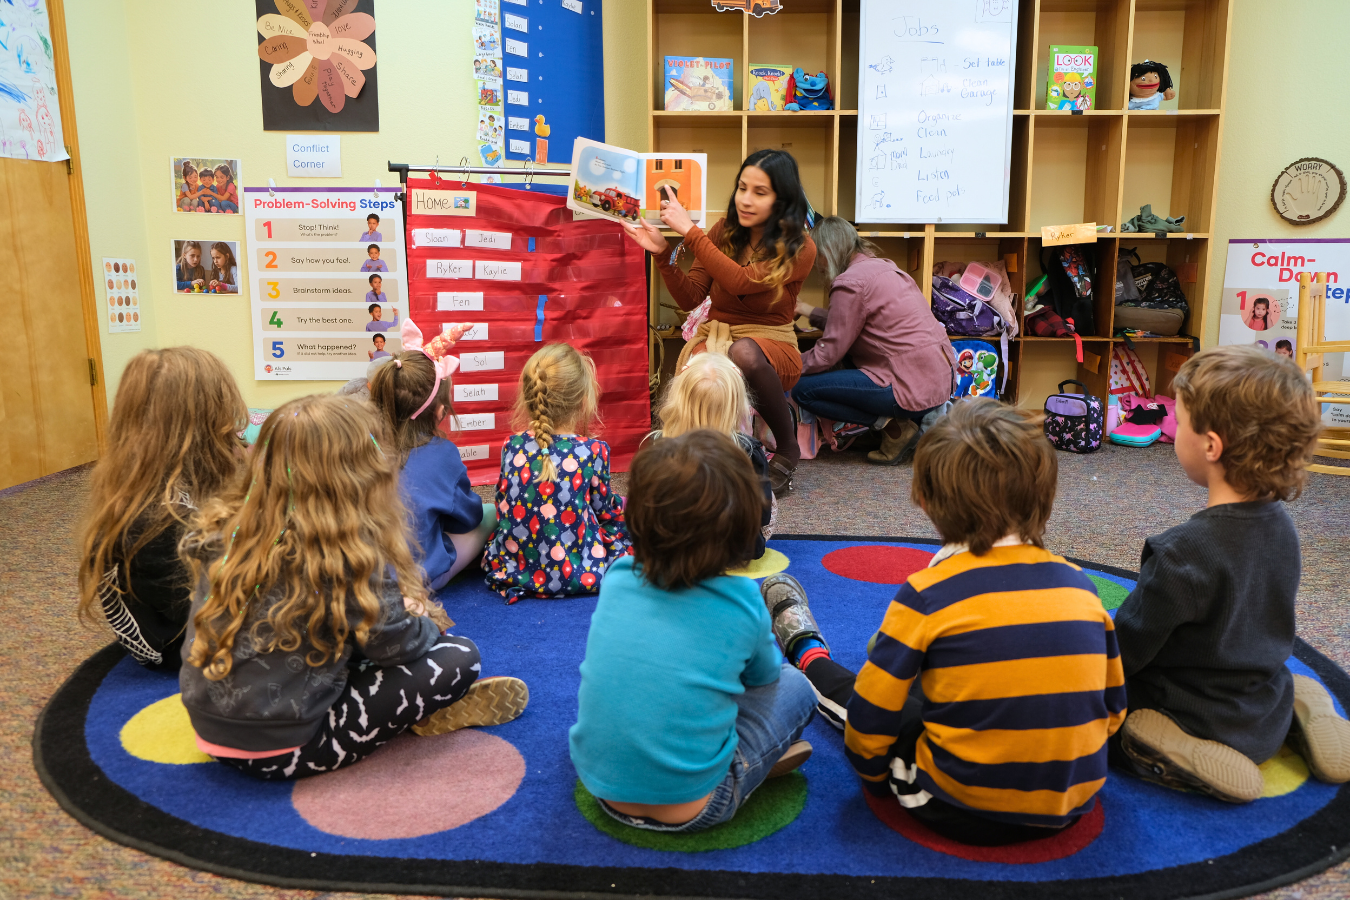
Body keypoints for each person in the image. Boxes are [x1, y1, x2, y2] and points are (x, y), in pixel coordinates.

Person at [762, 398, 1125, 846]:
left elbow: (871, 722)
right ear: (1047, 497)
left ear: (923, 499)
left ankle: (806, 652)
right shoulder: (1081, 588)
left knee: (870, 694)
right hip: (1073, 803)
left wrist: (875, 778)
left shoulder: (928, 593)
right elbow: (1112, 710)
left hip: (955, 806)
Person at [179, 394, 529, 779]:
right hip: (289, 746)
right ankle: (418, 714)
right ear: (361, 475)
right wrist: (420, 619)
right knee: (461, 655)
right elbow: (398, 647)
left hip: (207, 725)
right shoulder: (346, 553)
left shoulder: (224, 526)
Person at [1112, 345, 1349, 801]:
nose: (1173, 429)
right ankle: (1301, 707)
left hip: (1191, 715)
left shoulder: (1180, 552)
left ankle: (1175, 749)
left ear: (1211, 445)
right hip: (1265, 706)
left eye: (1179, 422)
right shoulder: (1283, 526)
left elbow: (1127, 650)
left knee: (1101, 717)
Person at [569, 430, 816, 833]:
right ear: (740, 530)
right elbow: (766, 679)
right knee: (797, 687)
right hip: (700, 804)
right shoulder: (740, 598)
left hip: (602, 786)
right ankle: (743, 767)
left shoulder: (616, 577)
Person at [624, 149, 817, 495]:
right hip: (717, 334)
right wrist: (662, 255)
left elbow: (742, 281)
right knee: (700, 370)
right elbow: (692, 297)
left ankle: (788, 449)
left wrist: (691, 233)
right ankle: (699, 458)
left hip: (772, 344)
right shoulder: (724, 231)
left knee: (743, 353)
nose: (745, 199)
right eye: (742, 188)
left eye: (759, 192)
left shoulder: (800, 247)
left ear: (782, 199)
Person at [77, 348, 247, 670]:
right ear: (201, 426)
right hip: (181, 650)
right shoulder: (159, 520)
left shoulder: (153, 486)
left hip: (191, 622)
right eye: (224, 417)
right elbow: (210, 619)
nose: (234, 428)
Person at [792, 217, 956, 465]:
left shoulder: (849, 282)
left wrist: (787, 366)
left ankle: (892, 427)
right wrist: (805, 309)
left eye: (818, 256)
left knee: (802, 390)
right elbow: (848, 322)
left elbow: (828, 354)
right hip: (939, 378)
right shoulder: (886, 268)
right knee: (844, 361)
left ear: (828, 251)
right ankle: (921, 418)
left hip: (906, 385)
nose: (817, 265)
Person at [482, 343, 631, 602]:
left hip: (515, 567)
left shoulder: (512, 445)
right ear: (583, 400)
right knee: (625, 526)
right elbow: (606, 512)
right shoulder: (593, 450)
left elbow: (502, 504)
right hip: (578, 571)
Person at [370, 321, 496, 591]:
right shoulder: (442, 453)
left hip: (357, 581)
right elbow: (467, 518)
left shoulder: (359, 446)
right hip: (414, 582)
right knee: (489, 513)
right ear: (439, 411)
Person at [653, 353, 773, 559]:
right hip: (736, 549)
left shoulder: (660, 447)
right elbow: (762, 515)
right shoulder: (749, 451)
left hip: (676, 546)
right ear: (736, 407)